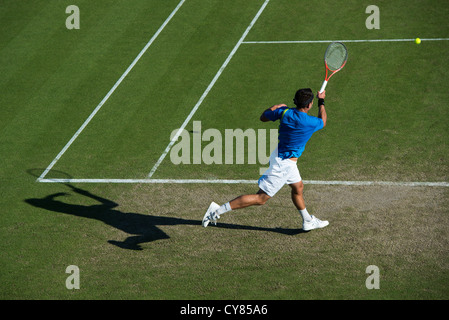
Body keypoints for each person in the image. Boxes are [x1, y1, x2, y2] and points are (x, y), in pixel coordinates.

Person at [202, 88, 329, 231]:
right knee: (261, 198)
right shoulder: (310, 122)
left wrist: (275, 107)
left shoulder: (284, 112)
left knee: (298, 187)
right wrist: (321, 101)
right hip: (284, 164)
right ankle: (216, 211)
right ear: (309, 105)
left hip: (280, 156)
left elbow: (263, 117)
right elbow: (323, 121)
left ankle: (307, 220)